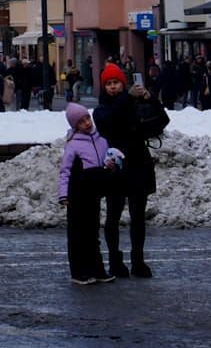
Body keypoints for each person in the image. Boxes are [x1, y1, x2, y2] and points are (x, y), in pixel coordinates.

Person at [93, 63, 168, 279]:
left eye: (116, 83)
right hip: (115, 167)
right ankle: (115, 262)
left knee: (138, 217)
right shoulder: (103, 109)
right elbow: (108, 121)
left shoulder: (134, 105)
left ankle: (138, 261)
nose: (113, 87)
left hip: (138, 164)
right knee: (113, 216)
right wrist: (127, 97)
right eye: (109, 84)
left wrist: (150, 99)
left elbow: (161, 122)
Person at [58, 101, 112, 285]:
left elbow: (105, 162)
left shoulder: (101, 140)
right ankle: (79, 271)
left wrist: (110, 166)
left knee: (93, 232)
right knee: (77, 234)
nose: (87, 123)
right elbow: (65, 171)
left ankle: (97, 269)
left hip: (93, 192)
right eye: (81, 121)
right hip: (77, 193)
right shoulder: (73, 145)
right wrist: (63, 194)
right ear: (75, 126)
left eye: (87, 118)